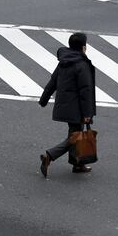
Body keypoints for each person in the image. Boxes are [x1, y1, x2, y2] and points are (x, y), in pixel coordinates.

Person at [38, 32, 96, 177]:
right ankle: (49, 156)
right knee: (74, 138)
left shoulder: (64, 61)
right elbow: (85, 90)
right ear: (83, 48)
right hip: (76, 108)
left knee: (74, 134)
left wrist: (43, 99)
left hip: (65, 106)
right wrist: (87, 113)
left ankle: (77, 164)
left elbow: (53, 81)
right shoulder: (81, 65)